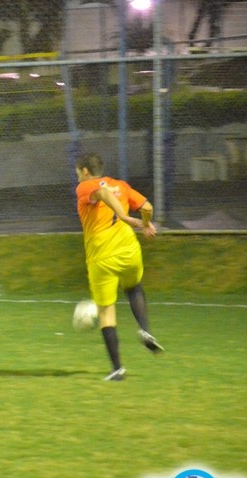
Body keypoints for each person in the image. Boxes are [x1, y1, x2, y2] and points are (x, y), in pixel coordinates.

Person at [75, 152, 164, 382]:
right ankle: (145, 329)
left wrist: (123, 216)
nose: (78, 177)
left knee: (106, 311)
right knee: (133, 287)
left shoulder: (85, 187)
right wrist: (145, 225)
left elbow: (102, 193)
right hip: (129, 251)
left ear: (85, 171)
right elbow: (147, 207)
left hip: (102, 256)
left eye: (78, 173)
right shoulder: (121, 186)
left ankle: (117, 369)